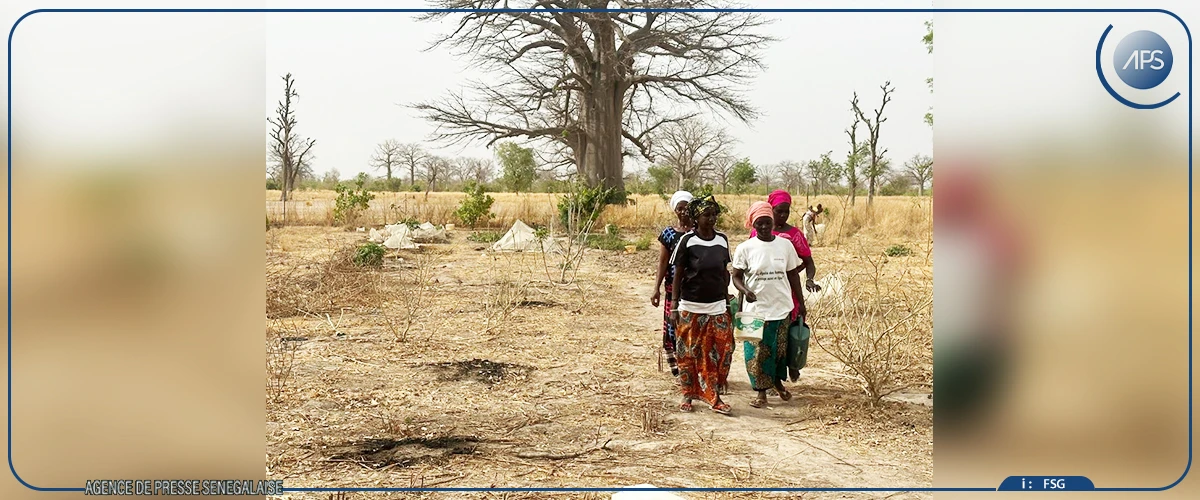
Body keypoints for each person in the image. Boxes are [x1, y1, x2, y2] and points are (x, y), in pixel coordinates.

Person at [733, 201, 807, 408]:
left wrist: (800, 303)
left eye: (767, 223)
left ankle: (777, 384)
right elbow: (736, 276)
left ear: (773, 222)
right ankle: (761, 393)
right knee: (754, 353)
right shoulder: (745, 248)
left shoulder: (785, 245)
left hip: (781, 307)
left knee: (779, 351)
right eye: (759, 224)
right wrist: (745, 290)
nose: (764, 227)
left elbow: (793, 275)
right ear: (753, 225)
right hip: (754, 311)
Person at [669, 194, 734, 415]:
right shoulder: (687, 241)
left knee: (721, 352)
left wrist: (727, 301)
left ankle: (712, 393)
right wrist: (674, 306)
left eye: (714, 214)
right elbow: (677, 274)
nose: (712, 218)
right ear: (697, 218)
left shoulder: (722, 240)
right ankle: (689, 393)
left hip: (717, 306)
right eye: (707, 214)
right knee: (688, 353)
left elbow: (724, 272)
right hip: (691, 307)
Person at [753, 190, 821, 382]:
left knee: (789, 332)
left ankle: (791, 365)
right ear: (770, 209)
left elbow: (808, 261)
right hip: (763, 292)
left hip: (788, 291)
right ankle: (766, 378)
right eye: (778, 211)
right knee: (765, 336)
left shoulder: (794, 234)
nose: (782, 216)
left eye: (786, 212)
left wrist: (807, 278)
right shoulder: (758, 232)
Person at [651, 190, 694, 378]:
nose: (683, 212)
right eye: (680, 209)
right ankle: (681, 369)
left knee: (693, 330)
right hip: (672, 289)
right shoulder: (668, 234)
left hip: (695, 289)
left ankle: (695, 368)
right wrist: (656, 289)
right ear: (675, 210)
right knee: (673, 329)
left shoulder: (699, 232)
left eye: (687, 209)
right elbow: (663, 262)